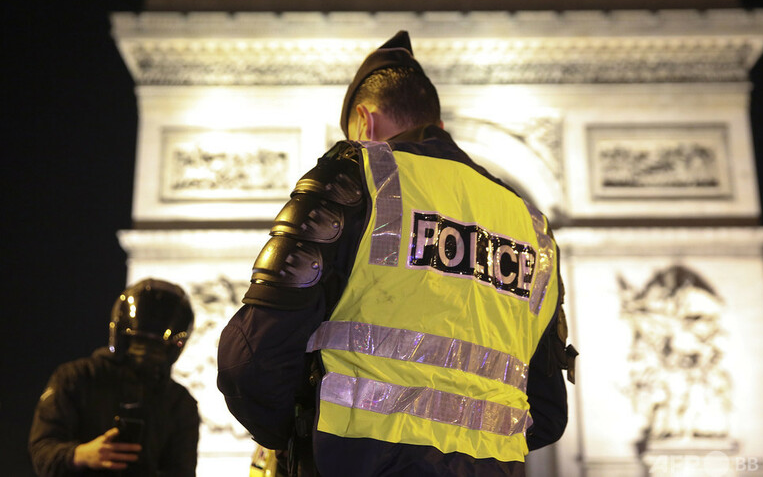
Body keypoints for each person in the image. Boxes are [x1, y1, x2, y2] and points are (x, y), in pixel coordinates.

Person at [217, 31, 576, 476]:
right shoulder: (533, 228)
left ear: (364, 123)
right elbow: (545, 411)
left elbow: (249, 362)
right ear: (438, 126)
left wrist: (297, 443)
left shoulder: (356, 174)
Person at [29, 278, 200, 477]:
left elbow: (182, 471)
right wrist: (81, 455)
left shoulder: (180, 402)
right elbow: (42, 449)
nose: (146, 352)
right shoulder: (74, 378)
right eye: (140, 340)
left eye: (157, 346)